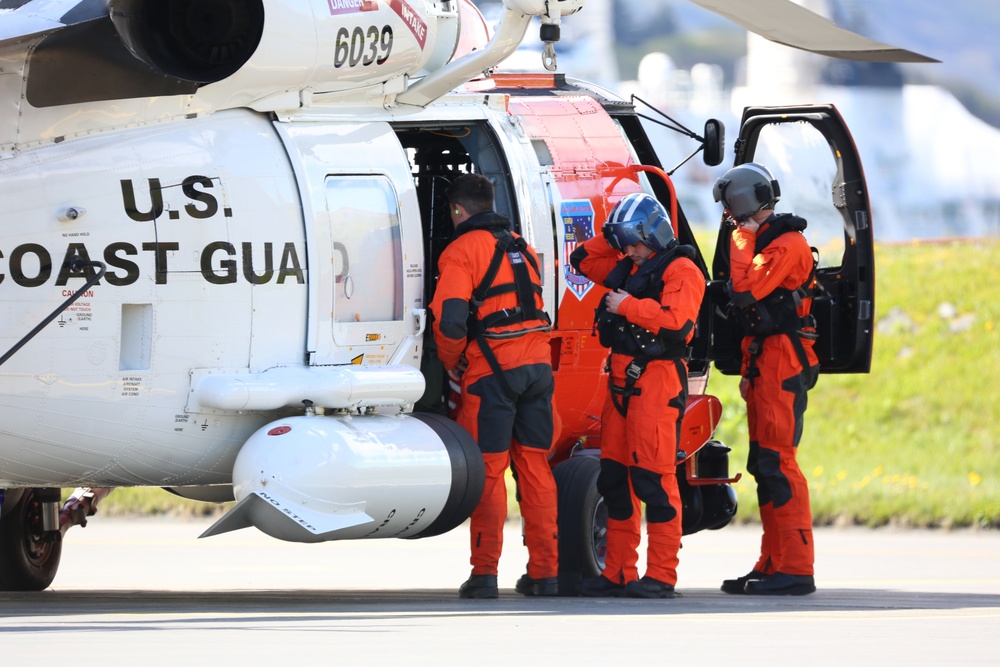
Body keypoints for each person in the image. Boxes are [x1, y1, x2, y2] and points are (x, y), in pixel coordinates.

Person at [429, 173, 559, 599]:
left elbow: (449, 321)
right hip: (538, 369)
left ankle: (484, 575)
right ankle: (545, 574)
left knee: (488, 472)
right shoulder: (523, 247)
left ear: (456, 211)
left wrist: (452, 364)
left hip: (491, 376)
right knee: (536, 468)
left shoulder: (461, 250)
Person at [569, 192, 705, 599]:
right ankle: (618, 571)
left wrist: (628, 306)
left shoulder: (682, 271)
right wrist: (614, 236)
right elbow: (582, 260)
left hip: (658, 381)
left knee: (654, 480)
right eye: (624, 243)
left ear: (655, 234)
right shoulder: (628, 265)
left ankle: (662, 575)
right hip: (621, 382)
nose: (629, 250)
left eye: (635, 241)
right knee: (614, 479)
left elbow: (676, 324)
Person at [712, 162, 820, 596]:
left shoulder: (787, 244)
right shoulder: (768, 241)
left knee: (779, 463)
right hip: (765, 362)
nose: (729, 220)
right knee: (764, 463)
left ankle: (795, 566)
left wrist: (740, 237)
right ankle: (773, 562)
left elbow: (745, 289)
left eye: (731, 212)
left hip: (783, 362)